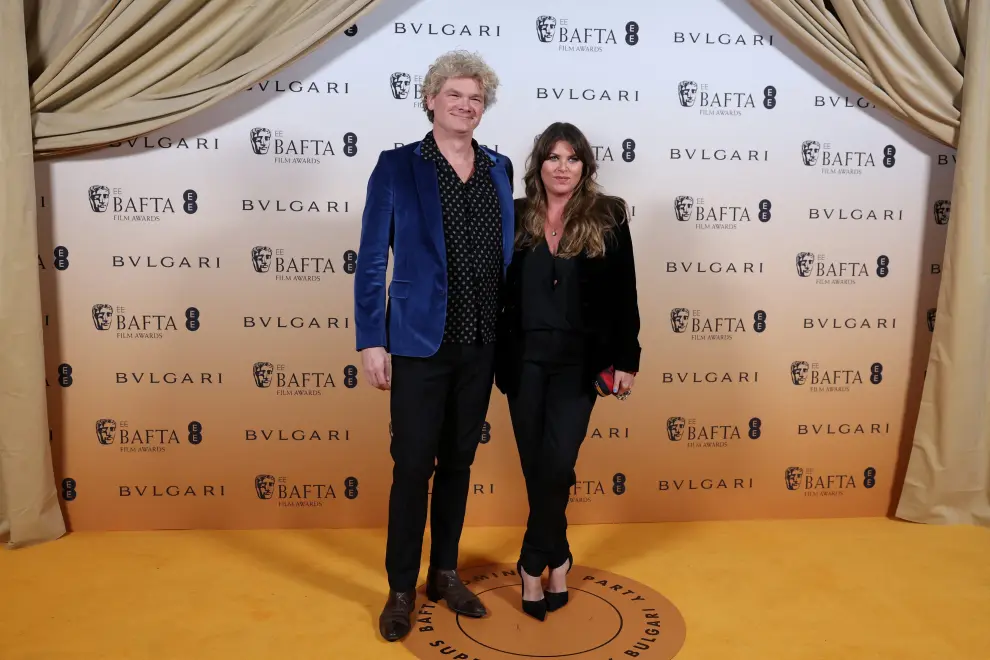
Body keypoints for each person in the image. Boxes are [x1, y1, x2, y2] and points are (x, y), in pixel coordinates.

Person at [353, 50, 515, 642]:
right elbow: (373, 260)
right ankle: (401, 588)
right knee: (412, 466)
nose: (466, 106)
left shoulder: (499, 167)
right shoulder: (397, 166)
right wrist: (373, 338)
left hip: (482, 342)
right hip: (419, 343)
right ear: (430, 100)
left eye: (476, 98)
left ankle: (444, 573)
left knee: (460, 463)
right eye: (455, 96)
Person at [494, 122, 641, 621]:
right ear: (539, 165)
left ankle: (530, 561)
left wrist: (627, 359)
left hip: (579, 367)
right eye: (553, 157)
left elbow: (625, 293)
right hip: (523, 362)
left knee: (557, 465)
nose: (562, 167)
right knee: (538, 469)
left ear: (585, 166)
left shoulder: (608, 215)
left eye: (572, 158)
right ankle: (558, 557)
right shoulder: (513, 215)